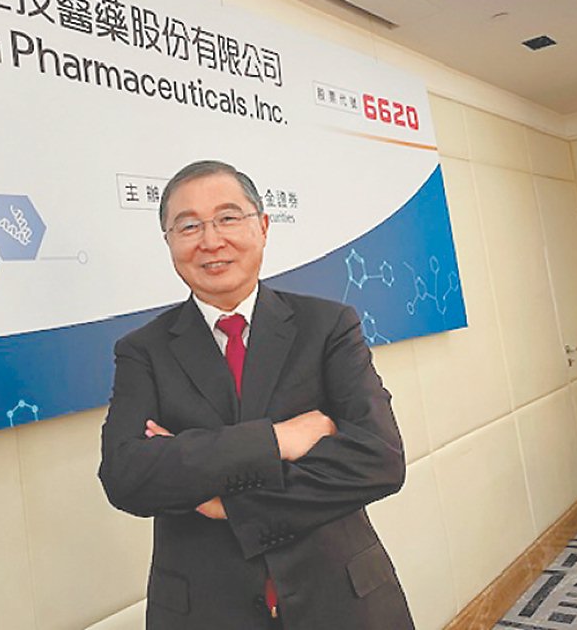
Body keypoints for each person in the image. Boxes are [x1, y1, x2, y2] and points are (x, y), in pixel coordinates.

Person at [99, 160, 414, 629]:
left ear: (263, 226)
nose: (211, 240)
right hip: (206, 610)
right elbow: (127, 477)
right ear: (168, 241)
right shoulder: (143, 351)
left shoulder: (327, 326)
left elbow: (379, 459)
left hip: (341, 597)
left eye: (228, 218)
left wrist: (227, 502)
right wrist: (279, 440)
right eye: (189, 226)